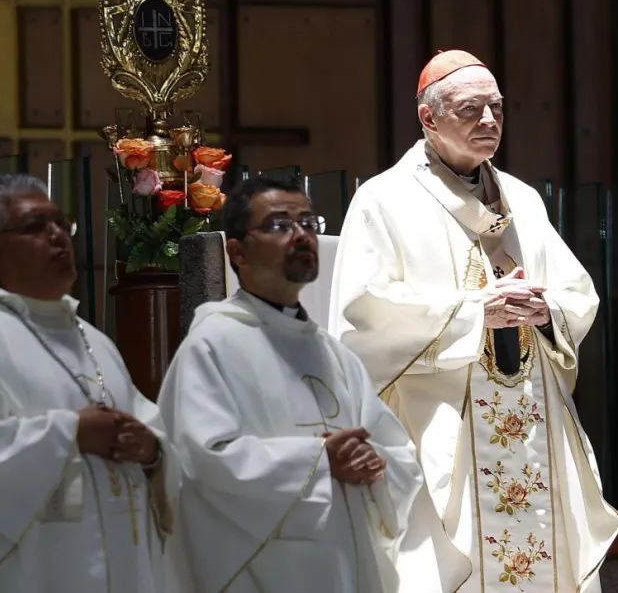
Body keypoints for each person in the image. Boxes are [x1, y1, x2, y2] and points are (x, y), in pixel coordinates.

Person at [328, 50, 618, 592]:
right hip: (441, 426)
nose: (489, 121)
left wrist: (546, 309)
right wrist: (472, 313)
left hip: (532, 426)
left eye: (497, 108)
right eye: (471, 109)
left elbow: (577, 293)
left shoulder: (524, 200)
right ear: (428, 118)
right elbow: (360, 317)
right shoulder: (383, 200)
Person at [0, 174, 178, 592]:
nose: (58, 237)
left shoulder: (93, 339)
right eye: (36, 227)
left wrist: (152, 450)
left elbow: (152, 426)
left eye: (61, 223)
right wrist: (69, 433)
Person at [158, 174, 425, 593]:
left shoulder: (334, 354)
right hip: (261, 570)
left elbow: (397, 453)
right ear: (237, 252)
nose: (301, 235)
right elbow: (201, 460)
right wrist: (319, 461)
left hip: (342, 558)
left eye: (307, 222)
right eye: (280, 225)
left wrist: (375, 465)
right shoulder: (213, 343)